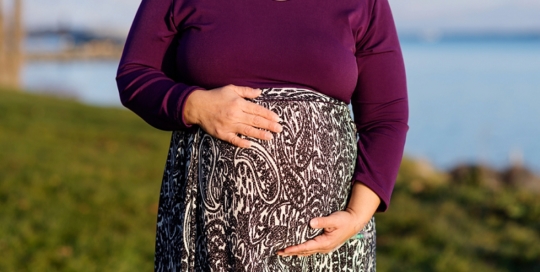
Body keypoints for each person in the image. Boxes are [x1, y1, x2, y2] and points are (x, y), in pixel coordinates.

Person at [116, 0, 408, 270]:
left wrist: (357, 216)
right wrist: (193, 106)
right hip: (212, 230)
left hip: (328, 239)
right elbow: (135, 73)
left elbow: (386, 116)